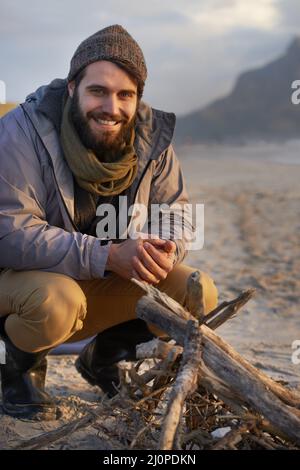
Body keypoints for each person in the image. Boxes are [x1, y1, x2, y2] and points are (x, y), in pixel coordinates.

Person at [0, 25, 218, 420]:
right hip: (20, 280)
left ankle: (102, 359)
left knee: (193, 290)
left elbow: (176, 211)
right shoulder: (22, 130)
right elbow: (9, 231)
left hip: (95, 279)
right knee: (56, 302)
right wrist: (107, 255)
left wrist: (163, 247)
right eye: (97, 91)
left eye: (125, 95)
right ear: (72, 89)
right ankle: (20, 373)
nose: (111, 107)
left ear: (137, 98)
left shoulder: (153, 139)